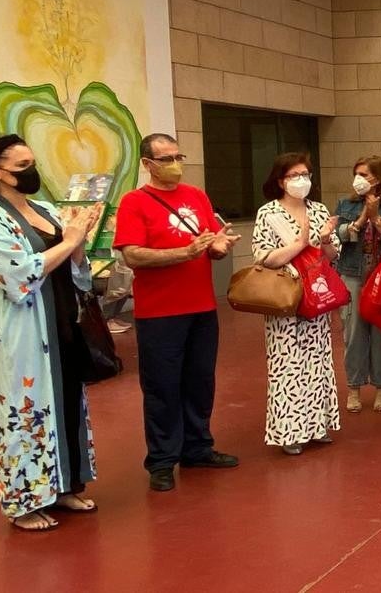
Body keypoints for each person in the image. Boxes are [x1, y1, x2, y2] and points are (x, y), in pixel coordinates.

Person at [0, 135, 103, 531]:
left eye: (32, 163)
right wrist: (69, 239)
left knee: (67, 403)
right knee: (23, 412)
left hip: (63, 324)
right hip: (20, 335)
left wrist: (78, 243)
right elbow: (19, 275)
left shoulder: (46, 209)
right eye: (21, 167)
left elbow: (76, 270)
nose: (31, 172)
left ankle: (65, 485)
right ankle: (24, 502)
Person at [115, 134, 240, 492]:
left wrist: (217, 247)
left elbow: (208, 243)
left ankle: (198, 447)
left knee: (200, 380)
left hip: (201, 306)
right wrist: (183, 254)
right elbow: (133, 254)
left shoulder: (196, 196)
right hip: (159, 312)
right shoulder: (134, 202)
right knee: (162, 387)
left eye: (177, 156)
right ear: (147, 164)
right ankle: (162, 459)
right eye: (165, 158)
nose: (174, 163)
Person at [253, 153, 342, 455]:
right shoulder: (268, 213)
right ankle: (290, 432)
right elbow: (265, 258)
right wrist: (300, 243)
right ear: (281, 180)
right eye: (294, 175)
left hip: (315, 296)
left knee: (318, 363)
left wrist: (327, 240)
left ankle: (317, 426)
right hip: (284, 298)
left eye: (305, 173)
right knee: (288, 365)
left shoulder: (318, 210)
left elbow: (331, 256)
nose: (302, 180)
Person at [335, 155, 381, 412]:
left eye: (365, 174)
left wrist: (378, 218)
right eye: (357, 173)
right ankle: (353, 388)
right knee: (353, 333)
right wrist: (364, 216)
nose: (359, 179)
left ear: (378, 177)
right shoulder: (345, 204)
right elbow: (341, 235)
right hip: (352, 274)